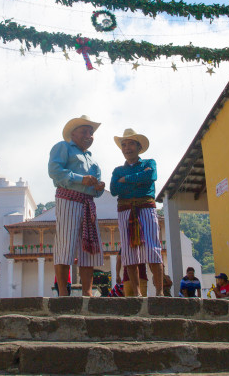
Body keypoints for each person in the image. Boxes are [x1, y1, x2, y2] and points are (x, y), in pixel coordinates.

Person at [48, 115, 105, 296]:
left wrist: (99, 187)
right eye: (84, 131)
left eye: (91, 132)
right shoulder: (63, 147)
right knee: (66, 244)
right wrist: (82, 179)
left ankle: (87, 291)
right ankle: (63, 291)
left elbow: (95, 190)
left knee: (88, 247)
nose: (89, 135)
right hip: (68, 200)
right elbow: (55, 171)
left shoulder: (93, 160)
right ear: (73, 134)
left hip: (88, 203)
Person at [110, 128, 163, 296]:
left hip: (146, 208)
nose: (127, 148)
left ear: (139, 147)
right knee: (128, 252)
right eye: (124, 144)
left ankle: (160, 292)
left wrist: (126, 180)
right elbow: (113, 189)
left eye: (131, 143)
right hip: (125, 211)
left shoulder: (150, 163)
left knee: (153, 249)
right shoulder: (117, 170)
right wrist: (139, 179)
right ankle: (138, 293)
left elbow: (151, 176)